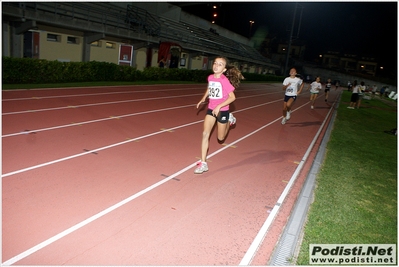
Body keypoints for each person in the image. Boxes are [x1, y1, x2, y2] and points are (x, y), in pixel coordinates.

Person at [194, 56, 244, 174]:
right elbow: (209, 88)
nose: (216, 66)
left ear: (224, 69)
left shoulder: (224, 80)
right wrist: (203, 98)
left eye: (220, 64)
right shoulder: (211, 77)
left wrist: (219, 106)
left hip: (222, 110)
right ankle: (203, 163)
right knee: (205, 134)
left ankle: (229, 120)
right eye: (215, 63)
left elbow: (233, 97)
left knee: (220, 138)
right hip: (211, 108)